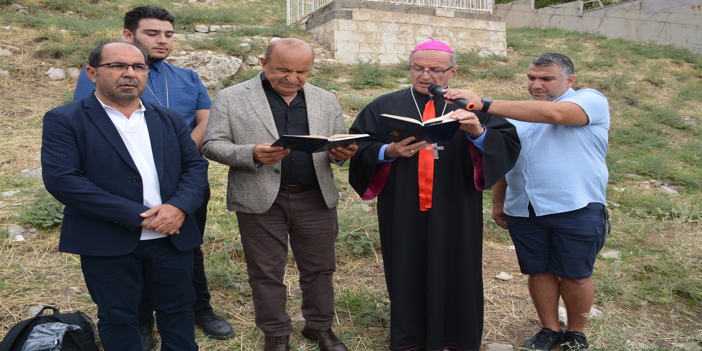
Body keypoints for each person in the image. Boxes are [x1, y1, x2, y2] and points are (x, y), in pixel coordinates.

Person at [72, 6, 234, 346]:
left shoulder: (188, 77)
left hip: (184, 185)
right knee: (134, 253)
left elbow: (206, 121)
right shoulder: (105, 78)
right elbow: (95, 129)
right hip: (124, 192)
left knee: (186, 246)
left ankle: (199, 309)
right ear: (129, 35)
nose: (162, 40)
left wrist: (174, 156)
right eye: (152, 33)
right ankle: (142, 320)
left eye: (168, 34)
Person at [348, 39, 521, 351]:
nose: (425, 75)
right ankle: (410, 340)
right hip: (402, 205)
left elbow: (508, 145)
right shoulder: (383, 105)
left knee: (456, 266)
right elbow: (357, 145)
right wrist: (388, 150)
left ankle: (456, 338)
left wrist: (477, 133)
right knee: (405, 265)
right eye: (418, 68)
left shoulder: (471, 105)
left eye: (435, 70)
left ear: (452, 71)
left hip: (455, 203)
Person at [42, 41, 207, 351]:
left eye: (138, 67)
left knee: (178, 310)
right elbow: (63, 180)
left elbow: (195, 167)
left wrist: (179, 208)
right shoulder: (65, 119)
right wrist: (141, 216)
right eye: (117, 66)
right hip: (107, 239)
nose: (130, 74)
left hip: (171, 237)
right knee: (118, 317)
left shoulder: (168, 118)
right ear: (92, 73)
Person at [443, 53, 609, 351]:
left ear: (570, 80)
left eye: (546, 78)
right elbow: (507, 162)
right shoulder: (517, 116)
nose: (536, 84)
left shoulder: (590, 100)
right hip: (524, 208)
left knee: (575, 275)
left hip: (576, 206)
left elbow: (554, 115)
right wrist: (499, 203)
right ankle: (549, 329)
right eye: (531, 77)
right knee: (538, 270)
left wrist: (483, 104)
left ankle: (576, 332)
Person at [201, 38, 356, 351]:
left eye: (302, 72)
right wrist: (252, 153)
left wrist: (342, 153)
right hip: (260, 200)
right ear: (263, 63)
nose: (292, 78)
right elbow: (211, 144)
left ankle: (319, 327)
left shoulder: (325, 98)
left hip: (315, 198)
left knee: (320, 269)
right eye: (283, 69)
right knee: (265, 272)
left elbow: (336, 145)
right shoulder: (231, 97)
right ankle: (276, 334)